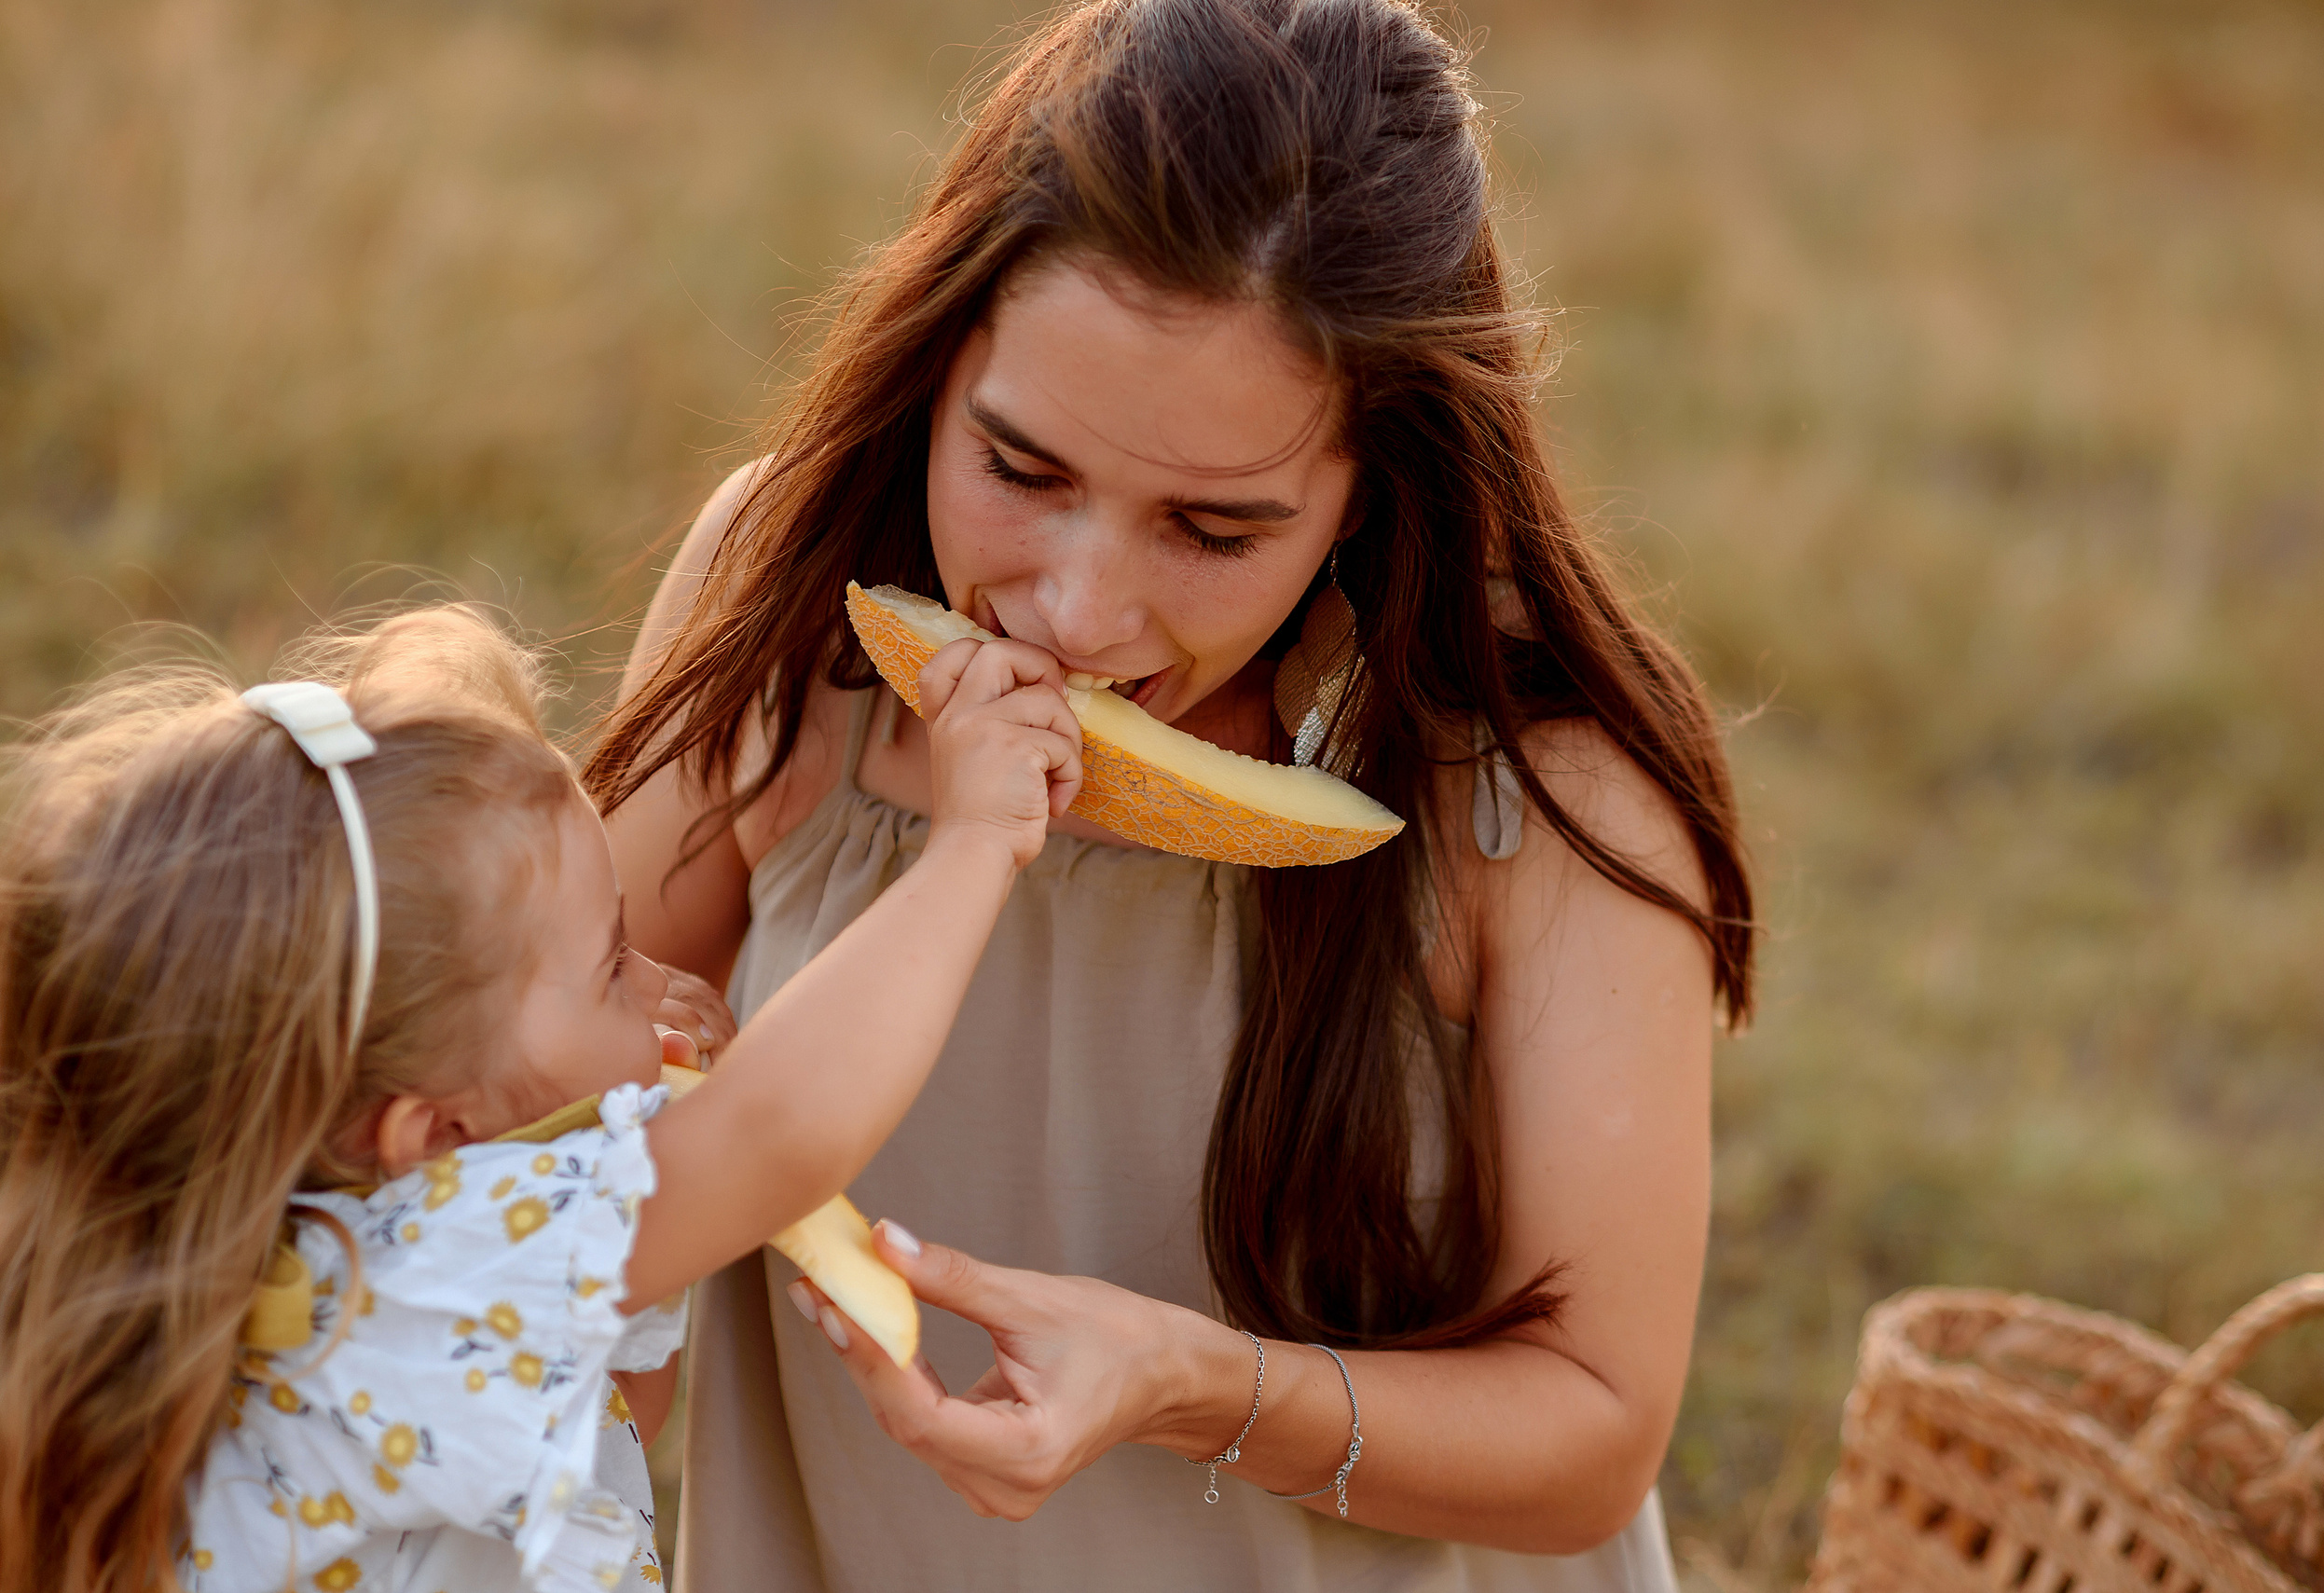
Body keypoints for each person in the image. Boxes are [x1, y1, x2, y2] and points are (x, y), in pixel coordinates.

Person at [592, 0, 1756, 1586]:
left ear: (1372, 492)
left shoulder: (1545, 790)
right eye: (1021, 470)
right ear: (937, 362)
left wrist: (1199, 1386)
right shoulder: (783, 604)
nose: (1074, 613)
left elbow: (1595, 1435)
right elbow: (547, 1144)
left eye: (1212, 531)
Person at [0, 604, 1081, 1593]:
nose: (661, 981)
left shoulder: (277, 1268)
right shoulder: (417, 1275)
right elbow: (780, 1132)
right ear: (432, 1133)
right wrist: (974, 842)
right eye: (611, 963)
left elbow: (606, 1428)